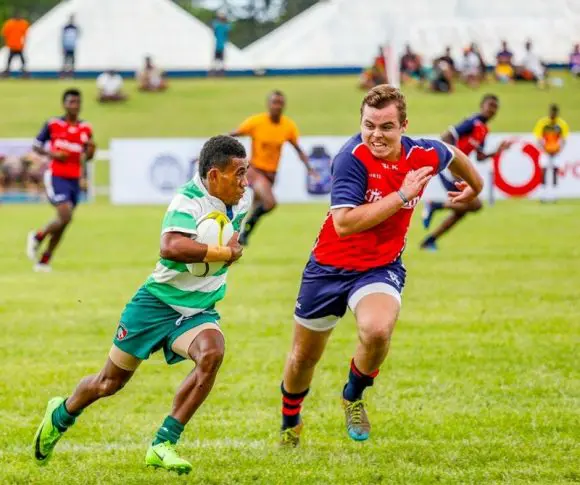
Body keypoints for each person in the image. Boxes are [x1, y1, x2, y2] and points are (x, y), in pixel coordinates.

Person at [278, 85, 483, 447]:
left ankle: (353, 396)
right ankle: (290, 421)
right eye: (369, 125)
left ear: (404, 126)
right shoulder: (351, 157)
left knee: (376, 331)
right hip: (328, 268)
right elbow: (344, 223)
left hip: (378, 268)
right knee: (303, 358)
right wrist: (402, 195)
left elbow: (451, 153)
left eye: (386, 126)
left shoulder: (422, 153)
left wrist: (475, 186)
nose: (376, 135)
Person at [32, 135, 250, 474]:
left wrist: (228, 251)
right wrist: (224, 252)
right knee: (109, 383)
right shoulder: (187, 200)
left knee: (211, 353)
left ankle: (164, 444)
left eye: (245, 172)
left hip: (198, 309)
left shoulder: (241, 201)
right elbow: (171, 247)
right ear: (213, 176)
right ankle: (61, 414)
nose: (244, 182)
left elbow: (231, 242)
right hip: (155, 304)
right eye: (238, 173)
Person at [420, 94, 512, 250]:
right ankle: (434, 205)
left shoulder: (483, 130)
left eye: (495, 107)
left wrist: (497, 151)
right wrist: (452, 161)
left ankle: (429, 241)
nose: (492, 110)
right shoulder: (473, 122)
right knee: (475, 205)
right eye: (490, 105)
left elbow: (480, 157)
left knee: (463, 209)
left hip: (458, 169)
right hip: (450, 168)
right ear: (482, 106)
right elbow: (446, 136)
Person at [230, 90, 311, 246]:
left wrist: (309, 168)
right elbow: (234, 134)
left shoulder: (288, 125)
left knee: (256, 206)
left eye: (280, 103)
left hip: (271, 174)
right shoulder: (256, 122)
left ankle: (239, 237)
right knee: (270, 203)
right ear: (268, 104)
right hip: (255, 170)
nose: (277, 106)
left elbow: (297, 148)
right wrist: (214, 148)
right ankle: (244, 233)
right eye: (274, 102)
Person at [26, 89, 95, 271]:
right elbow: (36, 145)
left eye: (77, 102)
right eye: (71, 102)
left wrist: (91, 152)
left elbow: (87, 157)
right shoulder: (53, 124)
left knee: (64, 222)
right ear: (64, 104)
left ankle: (44, 261)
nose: (75, 105)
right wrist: (53, 154)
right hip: (56, 176)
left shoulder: (85, 128)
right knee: (65, 215)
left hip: (74, 179)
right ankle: (37, 237)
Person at [533, 104, 569, 203]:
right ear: (549, 113)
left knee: (554, 172)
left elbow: (564, 139)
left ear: (557, 113)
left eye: (554, 113)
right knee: (543, 172)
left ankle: (554, 195)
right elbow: (538, 138)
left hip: (556, 152)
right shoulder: (543, 123)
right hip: (545, 151)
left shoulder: (561, 124)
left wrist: (559, 149)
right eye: (552, 113)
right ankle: (543, 195)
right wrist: (543, 149)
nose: (553, 115)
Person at [1, 11, 29, 76]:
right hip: (12, 45)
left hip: (19, 45)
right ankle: (7, 71)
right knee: (10, 59)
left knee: (22, 59)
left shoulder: (23, 23)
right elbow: (4, 33)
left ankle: (24, 70)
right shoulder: (9, 23)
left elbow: (25, 34)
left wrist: (24, 42)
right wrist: (6, 42)